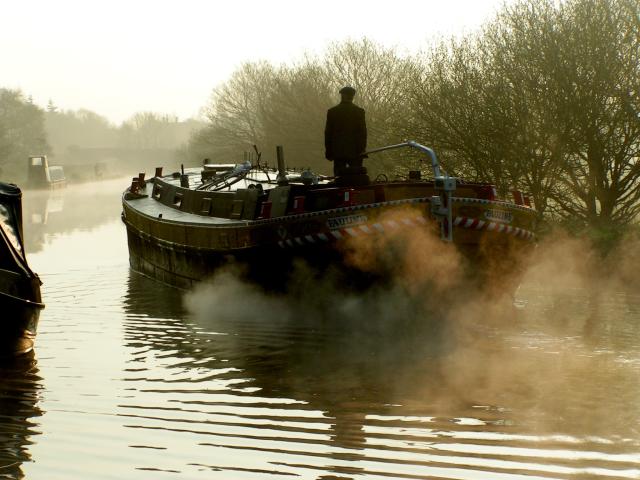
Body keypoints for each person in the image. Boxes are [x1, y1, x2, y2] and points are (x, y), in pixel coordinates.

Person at [324, 86, 367, 176]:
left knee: (339, 179)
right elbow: (363, 133)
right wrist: (362, 149)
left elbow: (328, 133)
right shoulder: (359, 111)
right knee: (356, 179)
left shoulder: (333, 112)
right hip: (356, 152)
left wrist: (328, 151)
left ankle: (343, 190)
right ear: (352, 96)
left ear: (342, 95)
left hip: (338, 152)